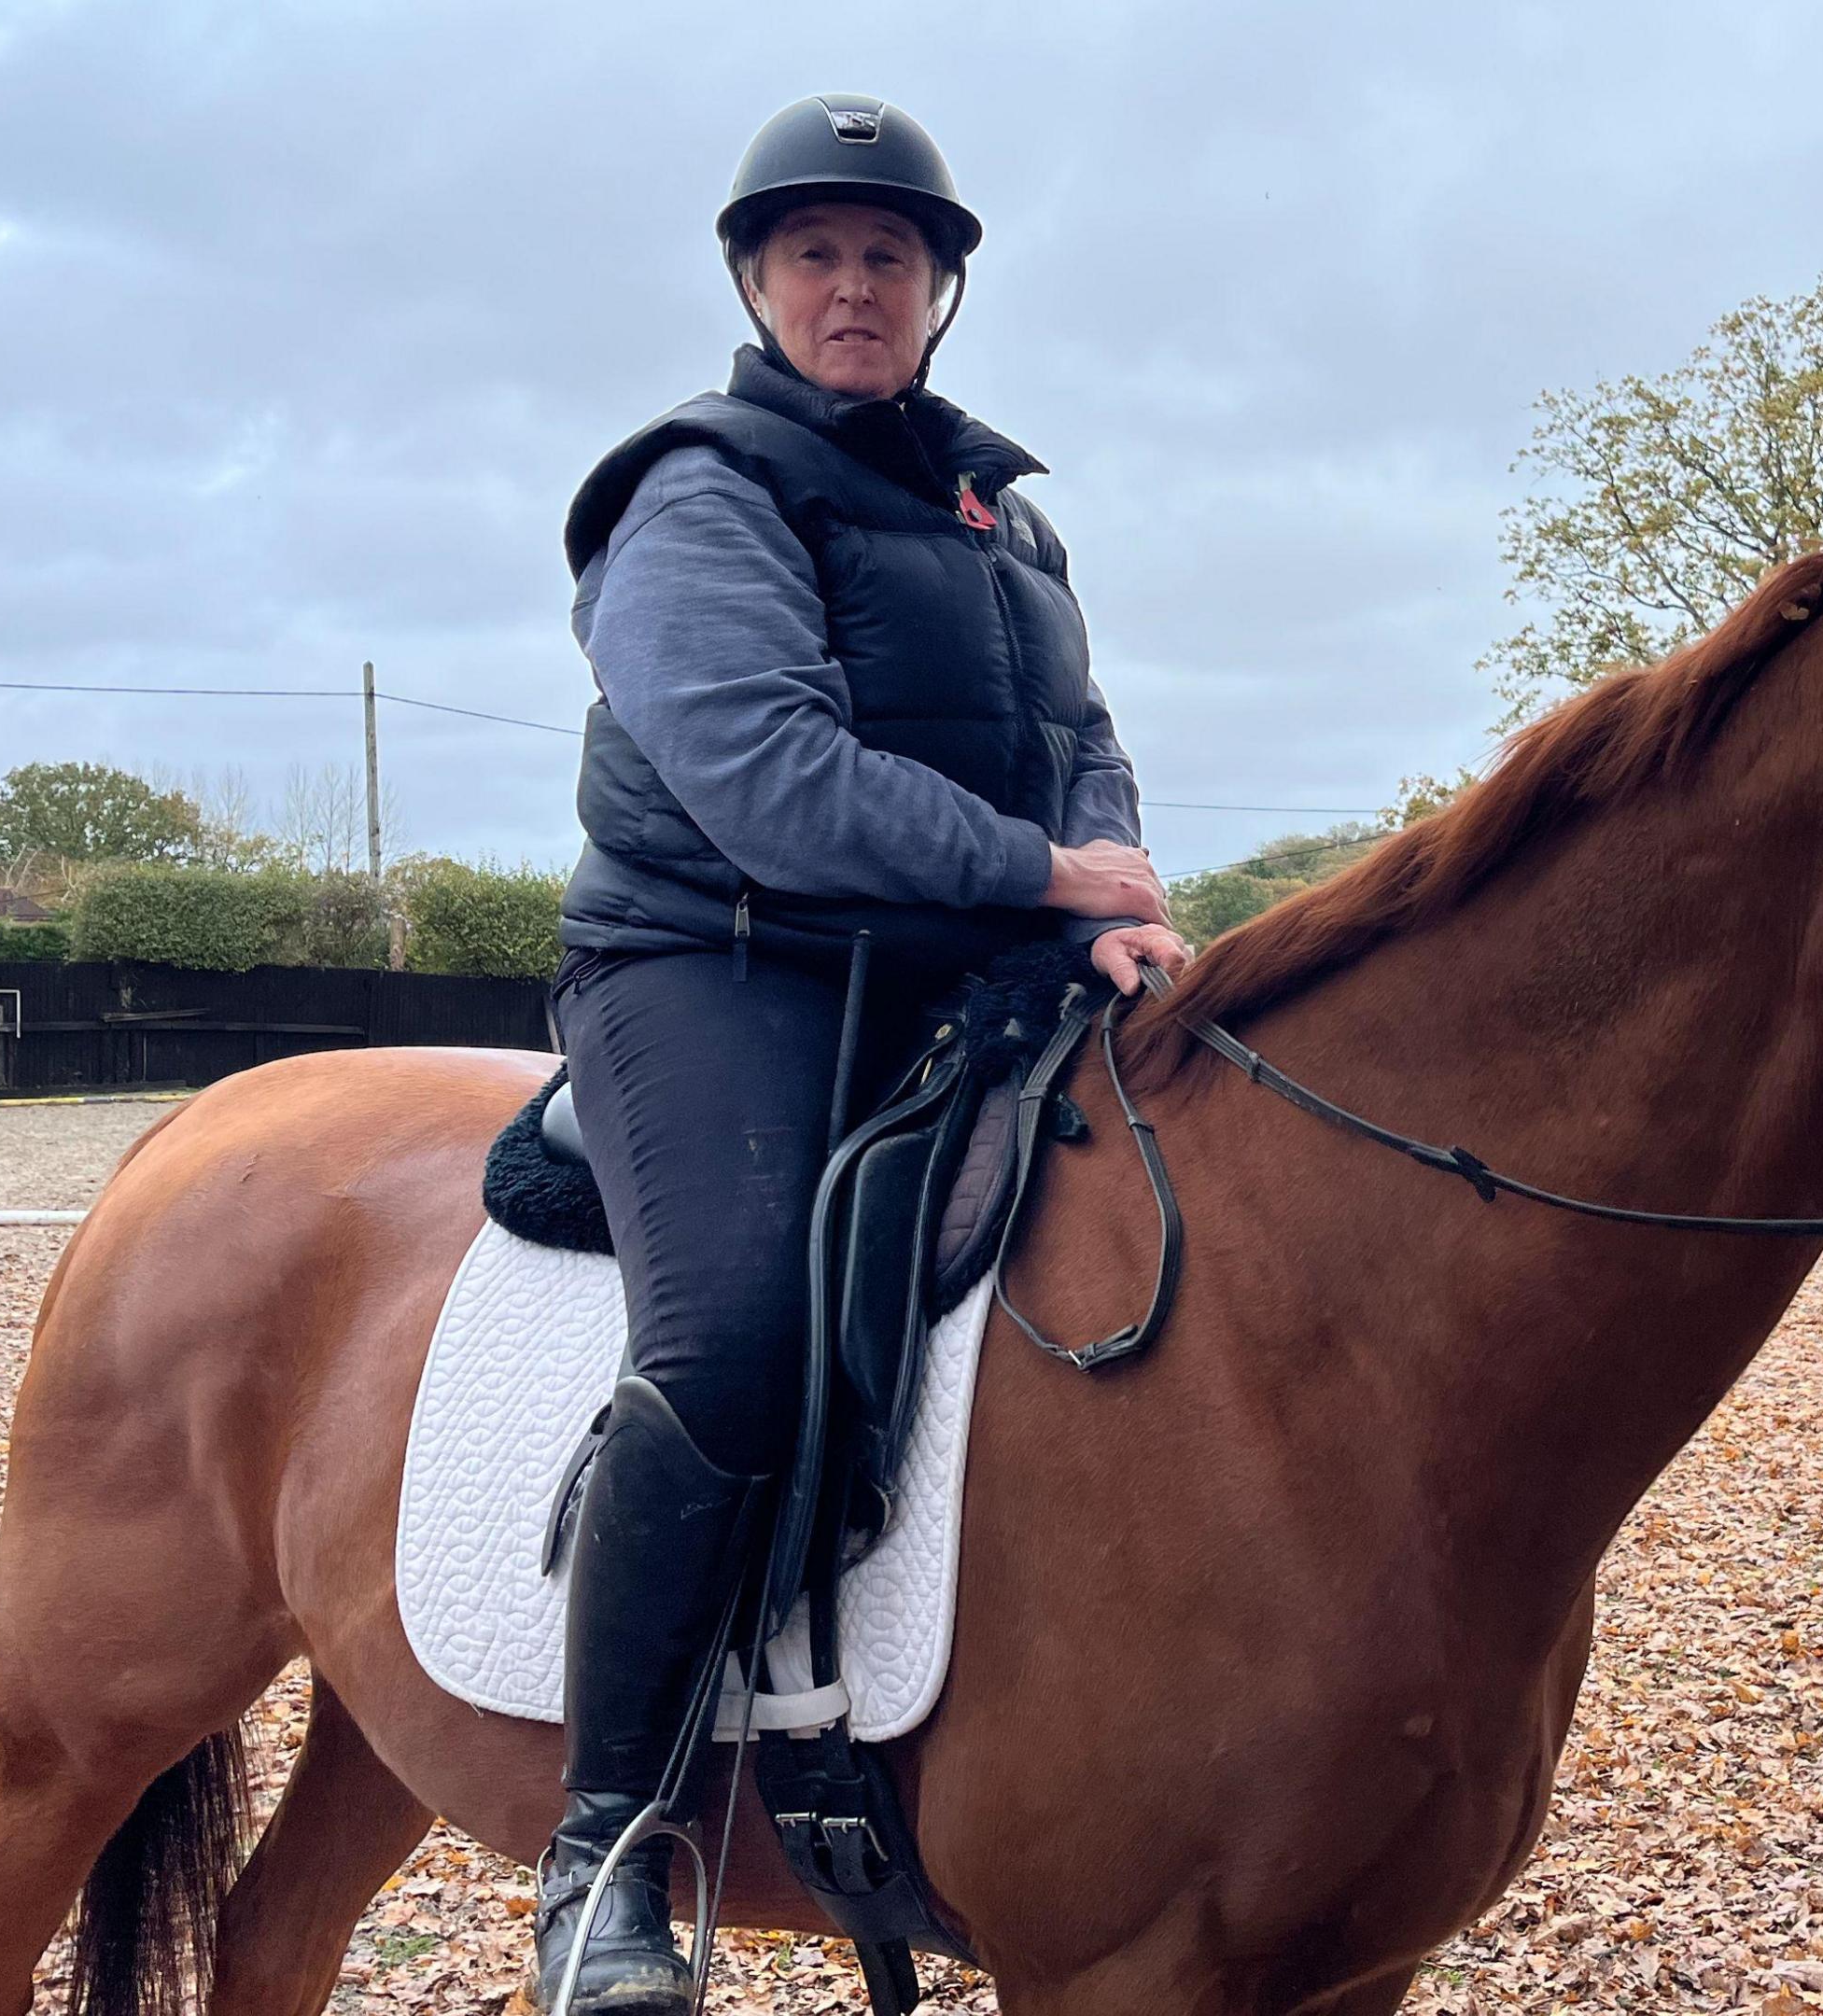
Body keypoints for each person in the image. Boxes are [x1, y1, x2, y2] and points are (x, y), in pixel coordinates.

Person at [534, 92, 1189, 2012]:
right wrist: (1043, 866)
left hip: (954, 960)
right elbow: (764, 775)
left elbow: (1086, 743)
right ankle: (609, 1850)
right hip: (717, 959)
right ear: (756, 277)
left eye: (888, 255)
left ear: (938, 291)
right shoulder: (698, 489)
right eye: (815, 251)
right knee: (733, 1333)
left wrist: (1111, 896)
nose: (853, 282)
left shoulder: (1009, 520)